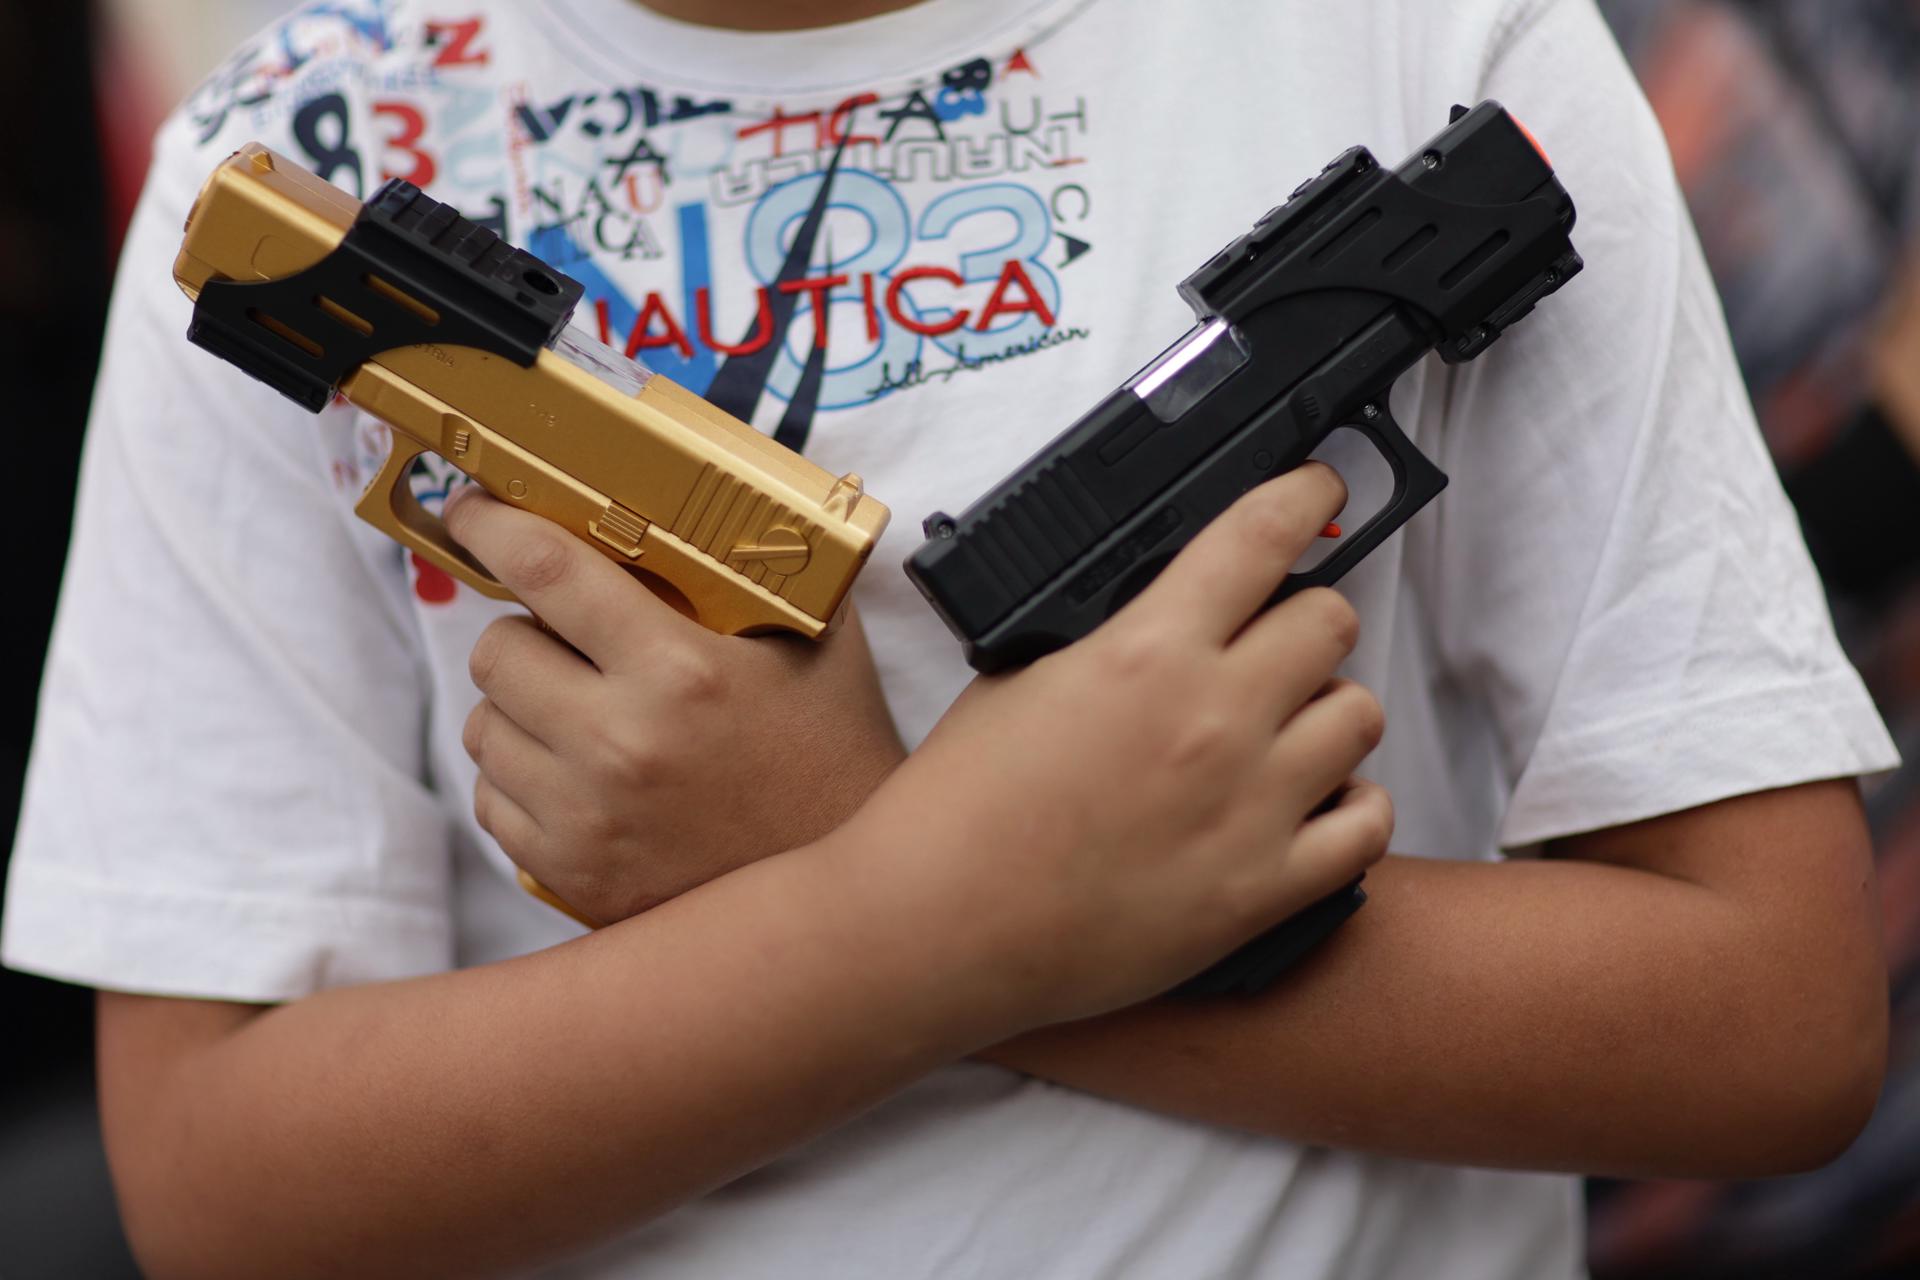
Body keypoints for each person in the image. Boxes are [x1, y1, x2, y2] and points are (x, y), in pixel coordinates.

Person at [1, 0, 1899, 1276]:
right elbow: (213, 1178)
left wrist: (868, 873)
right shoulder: (296, 150)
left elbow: (1771, 1019)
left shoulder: (1411, 33)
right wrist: (907, 911)